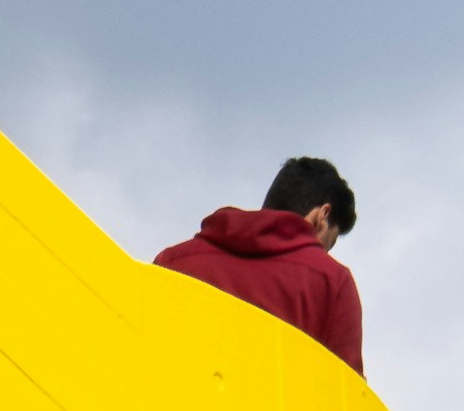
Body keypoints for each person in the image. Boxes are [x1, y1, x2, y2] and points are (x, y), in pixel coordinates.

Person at [153, 156, 363, 369]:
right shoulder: (333, 282)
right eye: (328, 243)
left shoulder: (172, 260)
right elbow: (345, 395)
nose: (322, 253)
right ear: (322, 214)